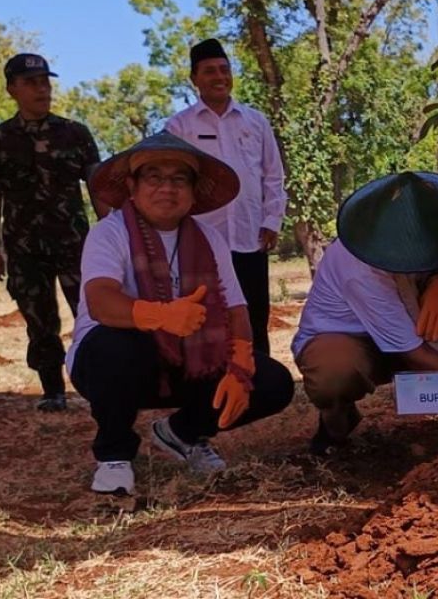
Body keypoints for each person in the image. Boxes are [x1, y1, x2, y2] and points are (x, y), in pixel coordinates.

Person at [67, 132, 294, 496]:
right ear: (132, 186)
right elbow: (100, 301)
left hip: (189, 361)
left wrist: (239, 365)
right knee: (118, 345)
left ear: (192, 190)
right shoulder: (108, 234)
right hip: (115, 366)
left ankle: (183, 433)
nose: (166, 189)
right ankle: (114, 454)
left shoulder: (210, 238)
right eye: (154, 178)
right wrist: (158, 315)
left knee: (273, 383)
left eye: (178, 179)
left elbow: (236, 309)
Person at [291, 171, 438, 455]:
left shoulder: (436, 232)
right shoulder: (358, 266)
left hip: (410, 328)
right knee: (334, 372)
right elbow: (414, 351)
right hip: (351, 338)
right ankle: (335, 421)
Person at [0, 53, 105, 411]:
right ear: (11, 89)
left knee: (92, 313)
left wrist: (114, 234)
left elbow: (98, 188)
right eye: (32, 83)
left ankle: (99, 384)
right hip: (23, 248)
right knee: (39, 318)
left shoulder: (75, 133)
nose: (42, 89)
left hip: (76, 244)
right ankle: (53, 391)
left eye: (45, 82)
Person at [166, 38, 287, 356]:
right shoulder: (179, 127)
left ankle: (257, 381)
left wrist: (272, 218)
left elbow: (273, 175)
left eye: (224, 69)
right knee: (206, 317)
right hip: (201, 240)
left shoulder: (255, 121)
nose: (219, 76)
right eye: (209, 71)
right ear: (194, 79)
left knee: (254, 314)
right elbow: (173, 183)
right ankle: (210, 385)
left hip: (250, 237)